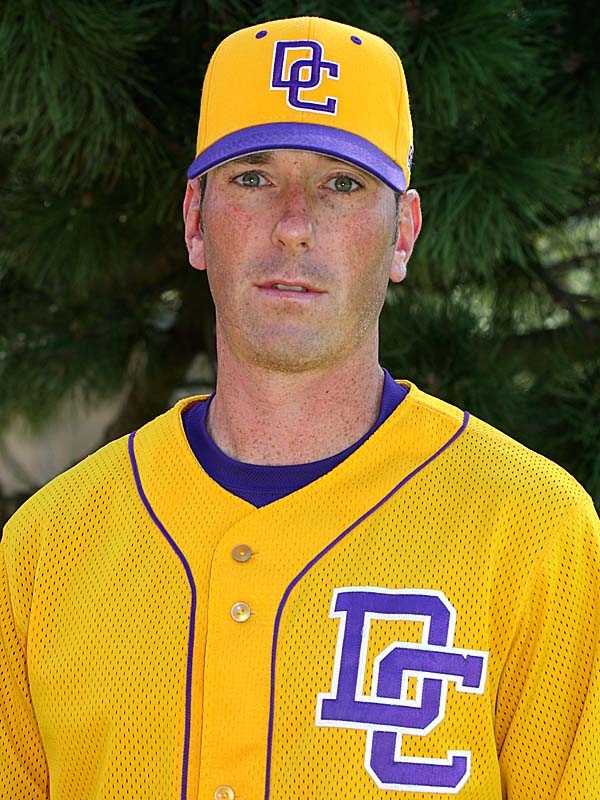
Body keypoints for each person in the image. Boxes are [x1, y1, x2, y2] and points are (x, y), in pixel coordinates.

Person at [1, 15, 598, 800]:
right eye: (253, 178)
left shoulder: (534, 532)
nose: (293, 225)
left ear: (403, 234)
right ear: (195, 220)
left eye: (342, 183)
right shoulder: (46, 550)